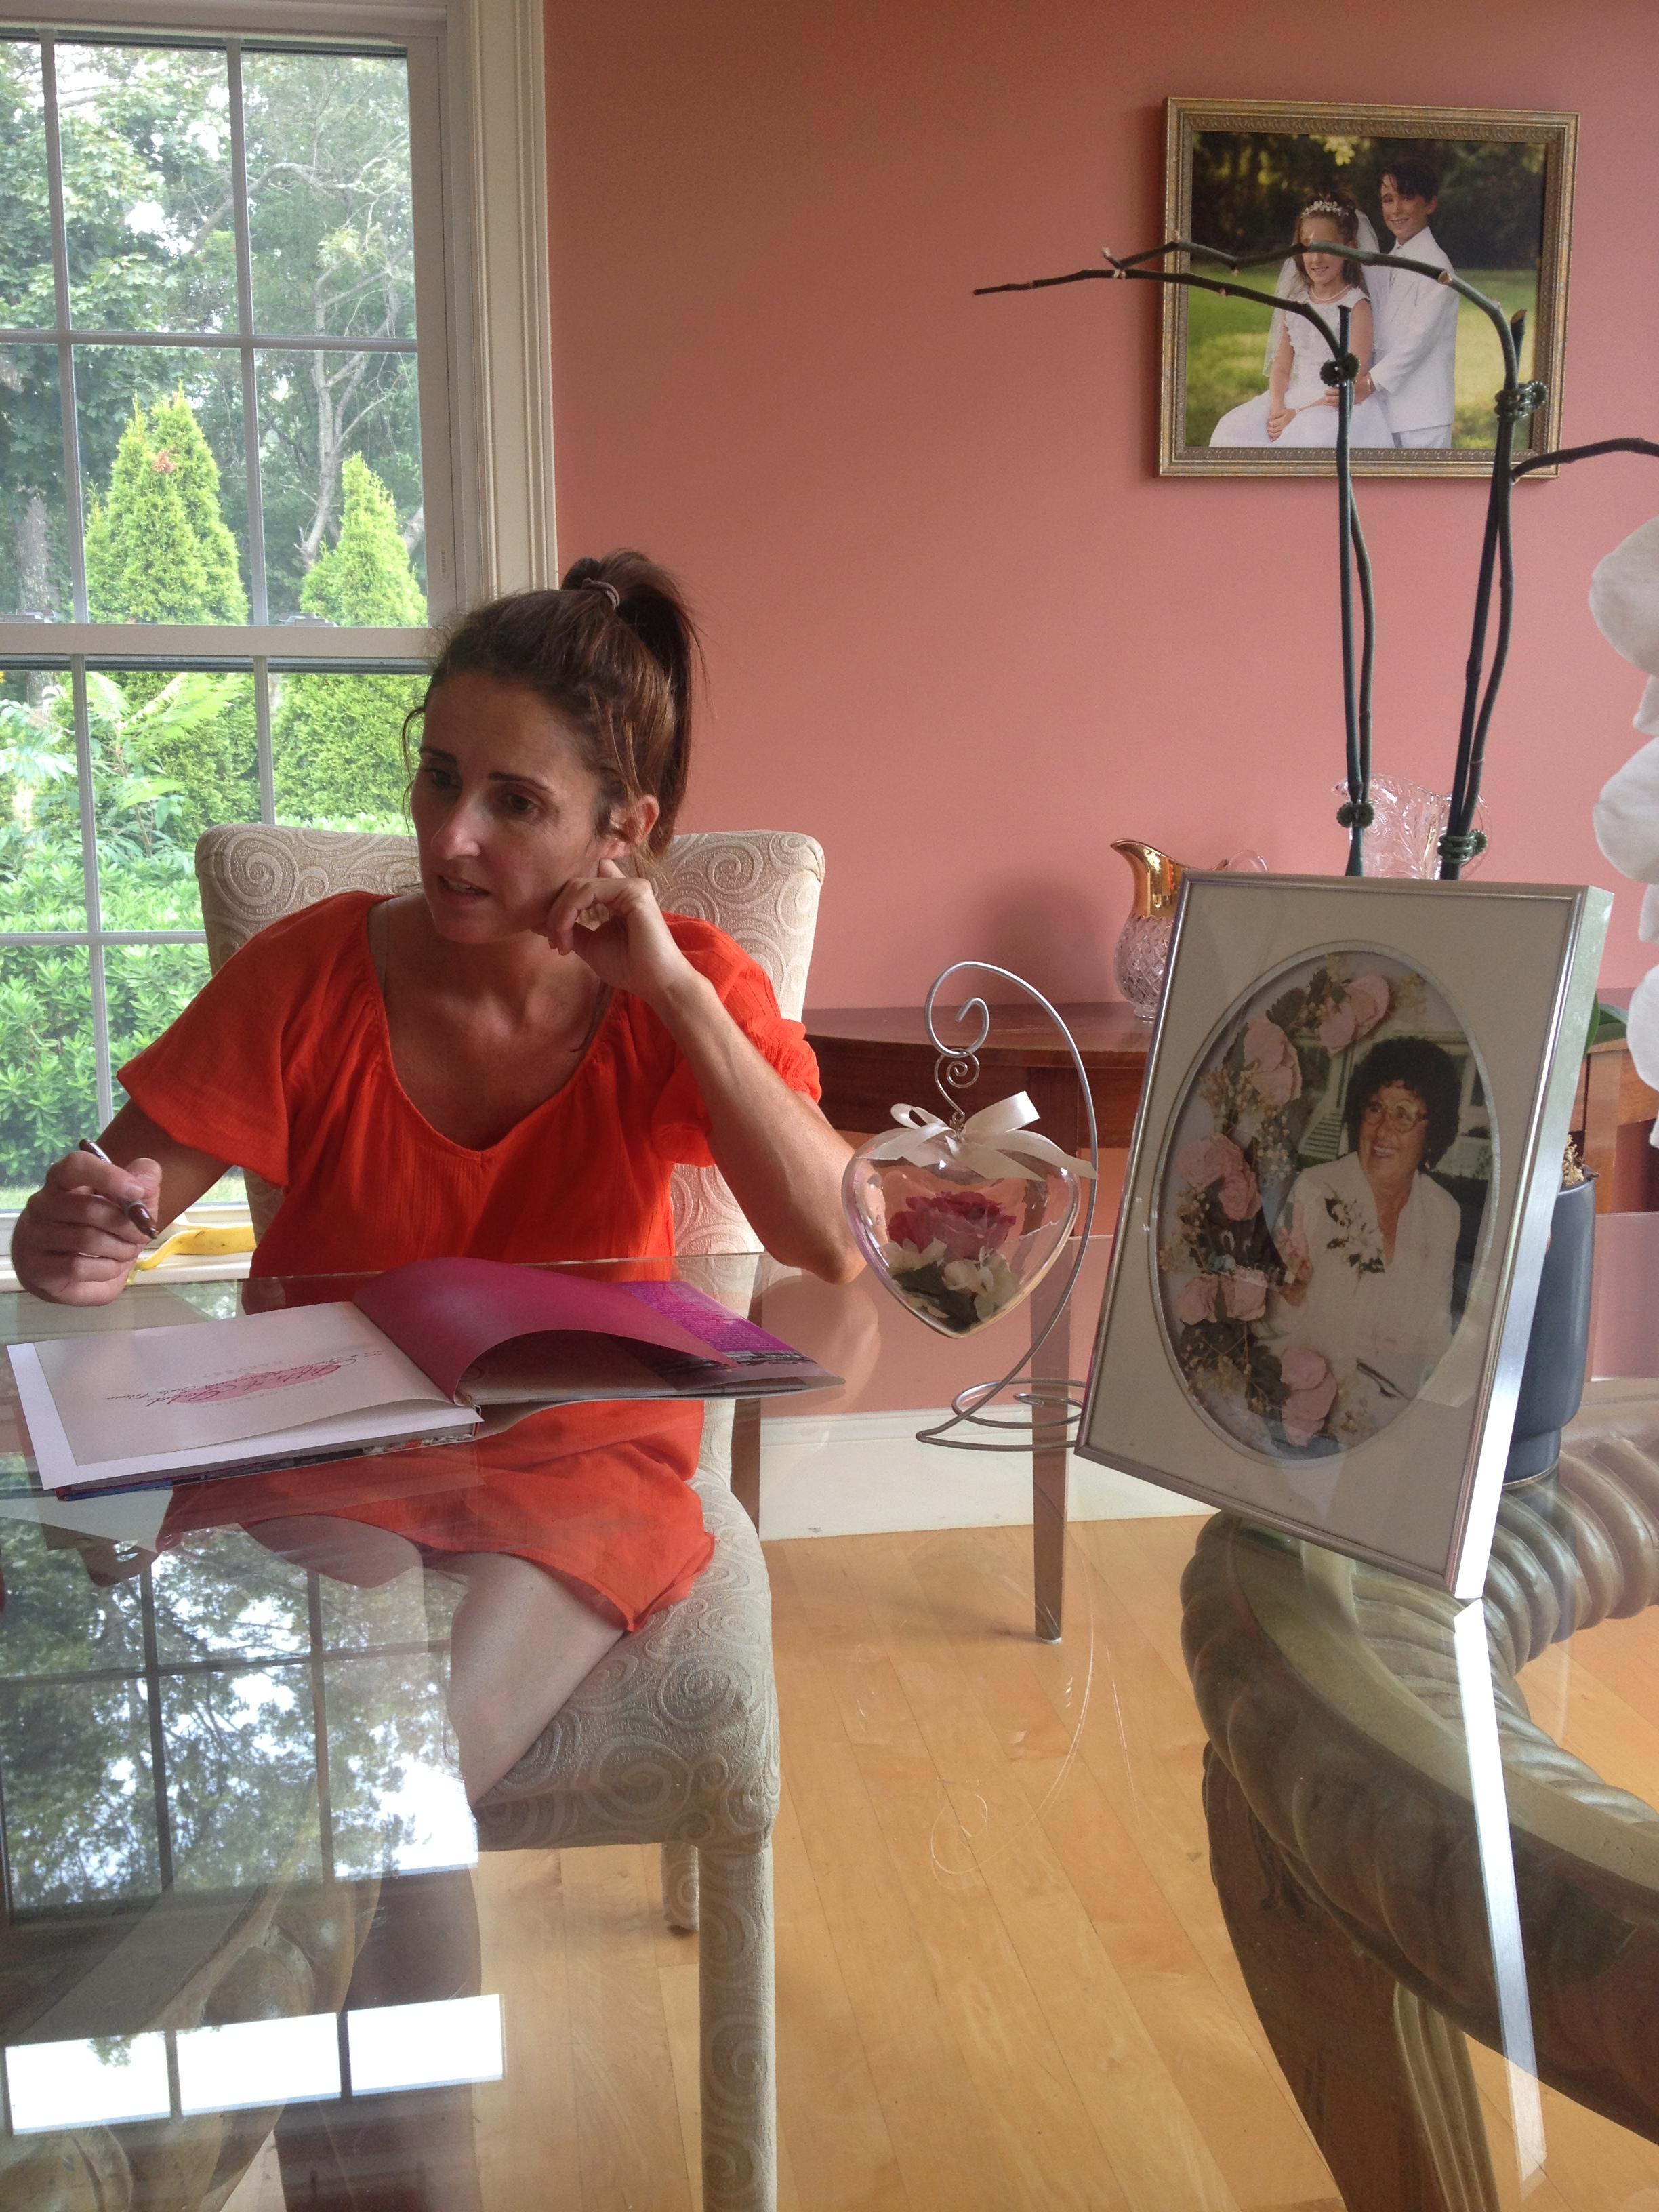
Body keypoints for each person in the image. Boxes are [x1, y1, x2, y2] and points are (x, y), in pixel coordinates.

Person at [12, 550, 862, 1797]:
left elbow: (835, 1241)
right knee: (363, 1778)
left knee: (408, 1780)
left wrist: (675, 994)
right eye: (440, 774)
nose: (449, 836)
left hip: (583, 1452)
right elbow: (107, 1208)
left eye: (515, 803)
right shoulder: (305, 973)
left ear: (621, 833)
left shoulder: (684, 986)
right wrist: (69, 1236)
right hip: (322, 1436)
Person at [1271, 1036, 1465, 1438]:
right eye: (1375, 1108)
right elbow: (1267, 1322)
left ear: (1431, 1131)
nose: (1383, 1130)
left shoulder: (1443, 1211)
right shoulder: (1316, 1189)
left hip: (1396, 1412)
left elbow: (1436, 1334)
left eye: (1403, 1114)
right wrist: (1294, 1293)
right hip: (1309, 1406)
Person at [1210, 194, 1395, 449]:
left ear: (1349, 248)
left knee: (1305, 439)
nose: (1316, 259)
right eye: (1308, 248)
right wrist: (1277, 409)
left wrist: (1298, 414)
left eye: (1326, 248)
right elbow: (1281, 367)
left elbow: (1353, 379)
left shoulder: (1357, 306)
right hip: (1292, 397)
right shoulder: (1295, 304)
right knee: (1230, 429)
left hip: (1332, 404)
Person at [1368, 157, 1459, 451]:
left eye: (1407, 198)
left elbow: (1419, 342)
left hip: (1423, 414)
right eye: (1388, 200)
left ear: (1430, 204)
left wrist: (1369, 383)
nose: (1395, 209)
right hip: (1385, 409)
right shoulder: (1388, 260)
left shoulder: (1437, 267)